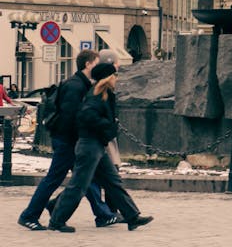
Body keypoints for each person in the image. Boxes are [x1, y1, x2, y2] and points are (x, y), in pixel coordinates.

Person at [17, 50, 118, 231]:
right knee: (54, 179)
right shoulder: (75, 86)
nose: (99, 66)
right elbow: (69, 118)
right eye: (96, 62)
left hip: (71, 140)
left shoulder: (82, 83)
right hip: (67, 141)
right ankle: (29, 215)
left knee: (86, 179)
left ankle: (103, 214)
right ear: (88, 64)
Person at [47, 63, 152, 233]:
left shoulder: (103, 93)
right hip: (89, 145)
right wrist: (109, 127)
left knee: (113, 181)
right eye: (114, 75)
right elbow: (86, 116)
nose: (117, 78)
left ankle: (132, 217)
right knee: (78, 185)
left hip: (97, 145)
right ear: (108, 77)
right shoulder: (96, 94)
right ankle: (57, 221)